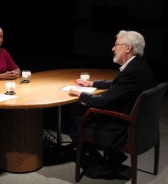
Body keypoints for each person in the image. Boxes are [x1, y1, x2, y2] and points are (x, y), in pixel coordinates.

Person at [66, 30, 156, 179]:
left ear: (128, 48)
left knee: (74, 124)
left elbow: (103, 103)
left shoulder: (130, 72)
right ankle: (114, 157)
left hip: (121, 126)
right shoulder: (140, 66)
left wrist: (80, 94)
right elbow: (117, 84)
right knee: (84, 117)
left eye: (116, 45)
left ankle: (97, 166)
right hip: (140, 123)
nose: (113, 49)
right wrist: (91, 83)